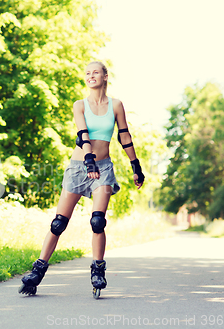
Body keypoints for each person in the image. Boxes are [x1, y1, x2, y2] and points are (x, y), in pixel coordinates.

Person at [18, 61, 145, 297]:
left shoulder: (116, 105)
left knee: (98, 221)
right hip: (79, 167)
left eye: (96, 72)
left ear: (106, 76)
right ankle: (37, 271)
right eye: (87, 73)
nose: (91, 76)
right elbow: (82, 134)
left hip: (104, 168)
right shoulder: (80, 105)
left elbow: (124, 135)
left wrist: (135, 165)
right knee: (58, 223)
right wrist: (89, 161)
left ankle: (98, 270)